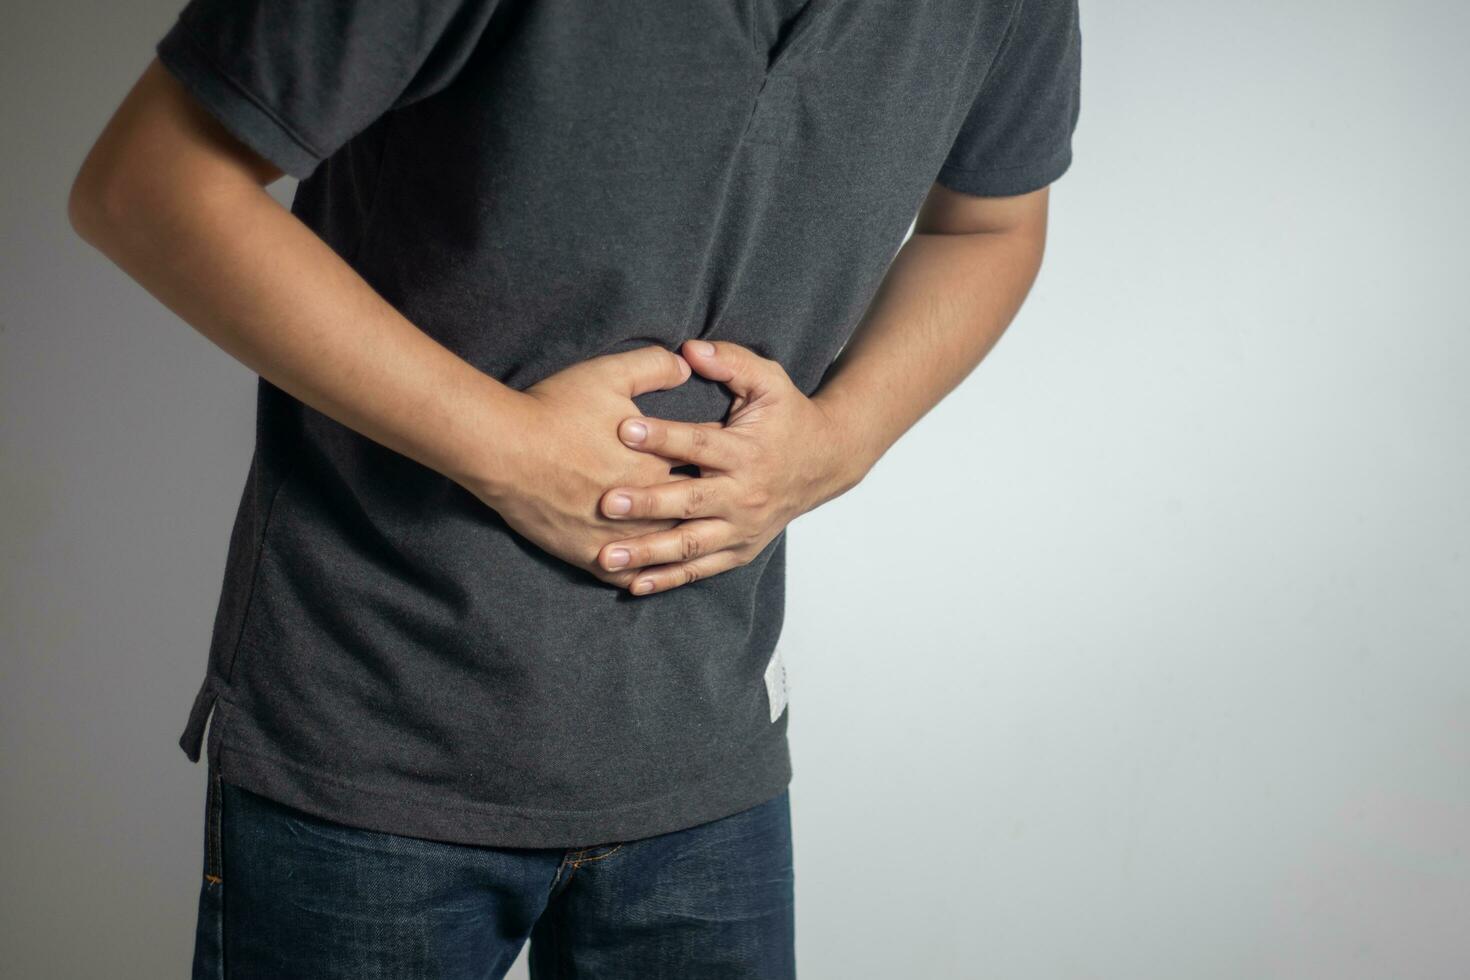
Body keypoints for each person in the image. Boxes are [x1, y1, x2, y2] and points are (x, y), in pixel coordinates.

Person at [68, 0, 1081, 975]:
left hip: (705, 747)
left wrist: (842, 441)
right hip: (374, 735)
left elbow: (988, 225)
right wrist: (513, 450)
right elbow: (149, 185)